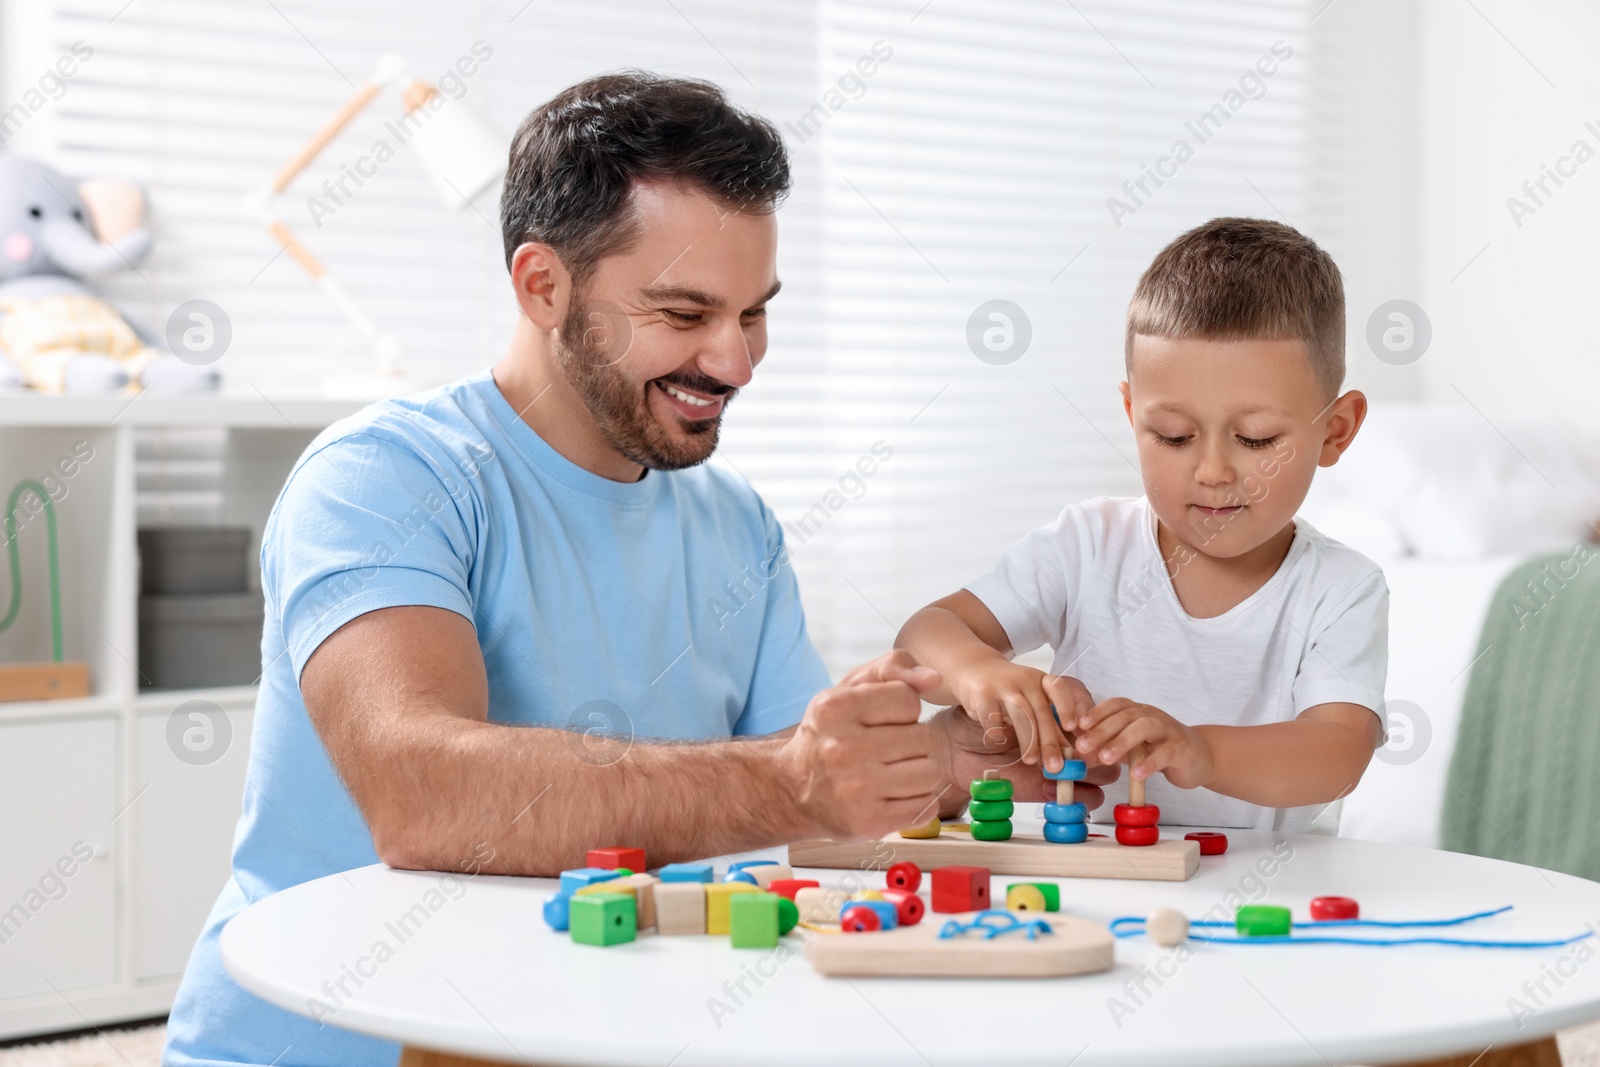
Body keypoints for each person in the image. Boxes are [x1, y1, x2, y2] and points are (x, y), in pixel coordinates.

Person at [164, 72, 1106, 1067]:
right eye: (684, 312)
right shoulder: (384, 478)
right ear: (543, 285)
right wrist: (794, 779)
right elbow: (422, 797)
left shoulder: (735, 523)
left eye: (754, 313)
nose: (736, 361)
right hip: (336, 1042)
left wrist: (940, 767)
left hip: (583, 1026)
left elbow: (786, 804)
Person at [897, 217, 1386, 832]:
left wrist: (1201, 751)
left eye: (1256, 439)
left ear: (1334, 431)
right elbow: (921, 637)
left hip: (1270, 894)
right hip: (1100, 883)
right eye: (1173, 436)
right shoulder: (1087, 546)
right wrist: (978, 671)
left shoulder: (1341, 588)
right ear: (1132, 415)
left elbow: (1337, 752)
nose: (1212, 471)